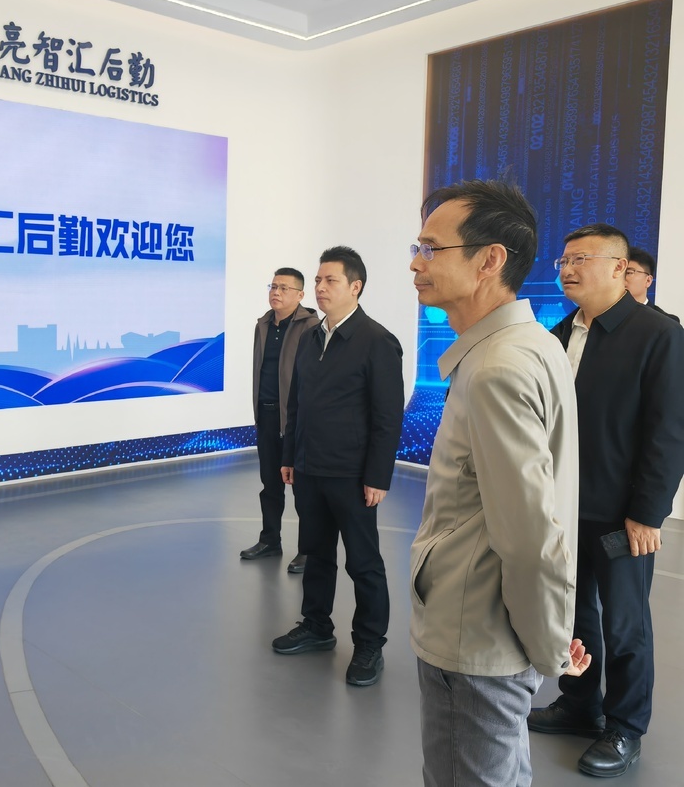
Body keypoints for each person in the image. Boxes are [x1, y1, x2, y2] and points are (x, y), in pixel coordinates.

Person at [408, 179, 589, 787]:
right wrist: (551, 633)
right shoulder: (532, 345)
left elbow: (529, 536)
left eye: (431, 248)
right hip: (496, 628)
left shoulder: (496, 369)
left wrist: (549, 646)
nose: (416, 263)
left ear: (489, 260)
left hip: (476, 639)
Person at [528, 223, 684, 777]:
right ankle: (579, 703)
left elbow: (669, 431)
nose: (567, 269)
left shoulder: (658, 334)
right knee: (572, 614)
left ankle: (625, 726)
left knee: (624, 625)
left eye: (581, 259)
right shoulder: (560, 332)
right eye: (564, 260)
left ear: (619, 268)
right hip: (564, 508)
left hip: (622, 515)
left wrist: (647, 512)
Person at [271, 246, 404, 688]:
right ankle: (316, 625)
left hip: (352, 475)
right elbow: (297, 404)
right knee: (316, 553)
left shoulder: (377, 342)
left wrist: (378, 476)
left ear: (355, 287)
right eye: (318, 280)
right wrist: (290, 457)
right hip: (309, 469)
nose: (320, 288)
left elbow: (387, 417)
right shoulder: (311, 337)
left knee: (363, 563)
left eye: (330, 280)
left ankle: (369, 644)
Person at [240, 268, 319, 573]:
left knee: (302, 489)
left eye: (284, 288)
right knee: (270, 484)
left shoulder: (311, 327)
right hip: (267, 414)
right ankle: (270, 540)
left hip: (296, 419)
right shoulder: (262, 324)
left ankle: (309, 551)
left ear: (300, 295)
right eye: (273, 286)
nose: (276, 292)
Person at [625, 246, 679, 321]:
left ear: (648, 281)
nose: (620, 278)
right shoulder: (608, 314)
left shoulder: (666, 321)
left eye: (629, 273)